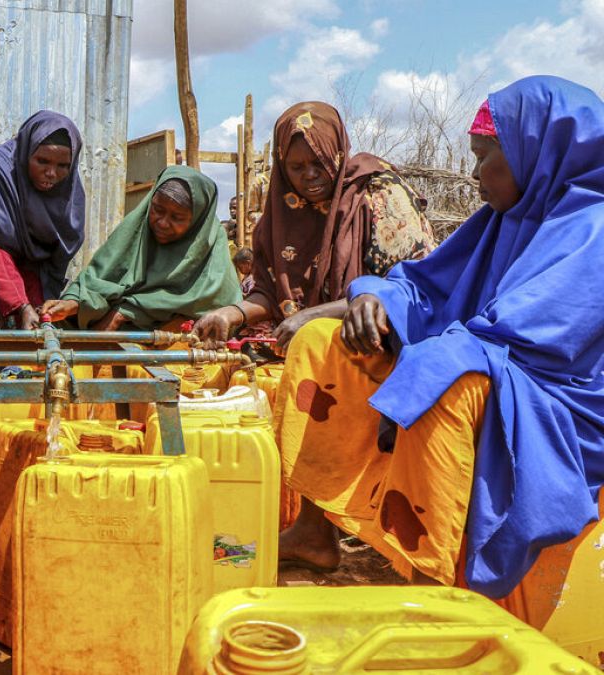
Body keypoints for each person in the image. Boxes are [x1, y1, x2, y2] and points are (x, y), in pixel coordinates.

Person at [274, 76, 604, 601]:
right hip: (477, 360)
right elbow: (427, 287)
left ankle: (431, 584)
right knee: (321, 341)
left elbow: (526, 340)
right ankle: (318, 531)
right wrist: (376, 301)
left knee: (448, 375)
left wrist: (426, 352)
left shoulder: (593, 228)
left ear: (535, 151)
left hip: (553, 401)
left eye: (484, 157)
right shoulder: (500, 221)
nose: (474, 174)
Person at [193, 101, 435, 355]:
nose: (309, 175)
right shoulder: (282, 213)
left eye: (319, 162)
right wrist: (231, 313)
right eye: (296, 167)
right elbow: (271, 292)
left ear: (338, 154)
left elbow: (412, 286)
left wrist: (312, 317)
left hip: (381, 356)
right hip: (309, 356)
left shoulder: (378, 195)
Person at [40, 166, 241, 331]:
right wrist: (72, 303)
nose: (162, 223)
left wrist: (126, 312)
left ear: (197, 220)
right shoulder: (134, 231)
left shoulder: (211, 248)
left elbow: (214, 306)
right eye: (157, 210)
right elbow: (97, 279)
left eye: (177, 218)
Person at [0, 110, 85, 329]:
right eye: (42, 161)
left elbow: (55, 257)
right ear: (26, 152)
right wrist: (20, 305)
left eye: (63, 166)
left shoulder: (68, 191)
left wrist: (42, 305)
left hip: (27, 287)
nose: (51, 173)